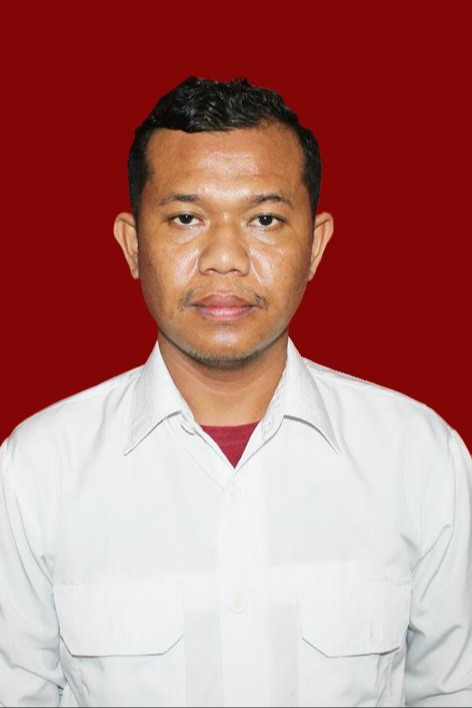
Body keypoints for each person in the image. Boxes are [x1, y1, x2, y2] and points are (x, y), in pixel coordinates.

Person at [0, 75, 470, 708]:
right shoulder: (34, 473)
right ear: (133, 245)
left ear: (315, 246)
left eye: (265, 219)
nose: (224, 257)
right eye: (186, 218)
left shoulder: (422, 458)